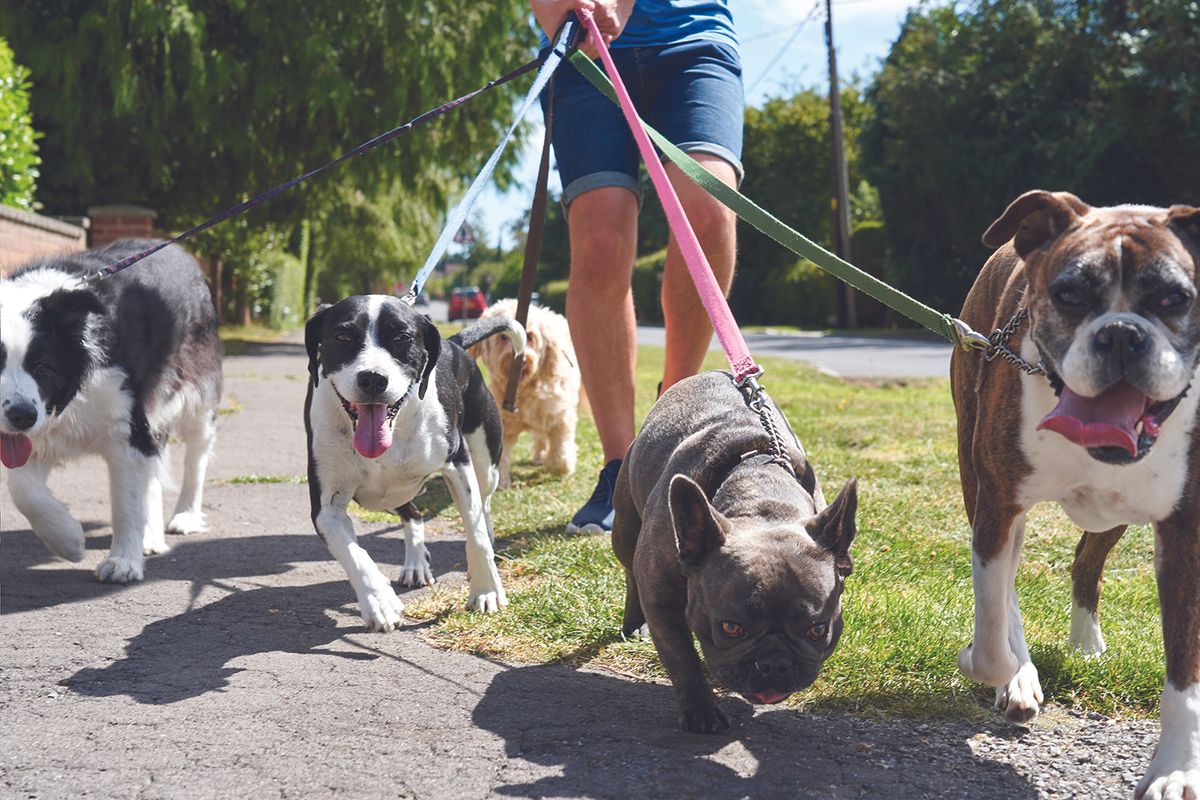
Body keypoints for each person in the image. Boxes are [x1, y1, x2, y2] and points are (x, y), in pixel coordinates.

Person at [530, 0, 743, 532]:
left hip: (693, 40)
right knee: (600, 240)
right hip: (584, 57)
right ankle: (621, 468)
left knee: (709, 211)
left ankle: (670, 425)